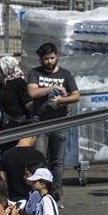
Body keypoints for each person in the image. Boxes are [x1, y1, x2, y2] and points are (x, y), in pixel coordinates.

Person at [26, 43, 79, 191]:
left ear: (57, 56)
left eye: (51, 58)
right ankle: (39, 191)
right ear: (40, 59)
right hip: (40, 121)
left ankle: (56, 192)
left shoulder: (65, 74)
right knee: (39, 158)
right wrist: (51, 88)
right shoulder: (35, 73)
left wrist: (62, 99)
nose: (49, 61)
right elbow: (32, 93)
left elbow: (76, 95)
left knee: (57, 161)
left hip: (59, 121)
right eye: (45, 59)